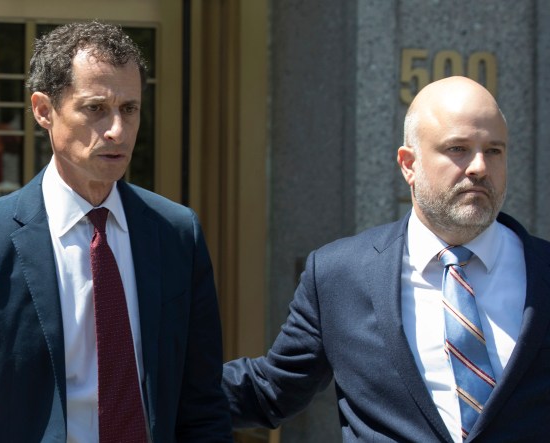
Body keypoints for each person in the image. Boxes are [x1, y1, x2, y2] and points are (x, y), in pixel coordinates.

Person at [0, 21, 231, 442]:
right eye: (95, 108)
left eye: (129, 109)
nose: (117, 130)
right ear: (44, 110)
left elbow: (203, 403)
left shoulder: (176, 233)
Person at [222, 76, 550, 442]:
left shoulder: (542, 272)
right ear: (409, 164)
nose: (479, 167)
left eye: (494, 151)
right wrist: (169, 377)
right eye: (457, 148)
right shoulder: (338, 276)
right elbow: (271, 390)